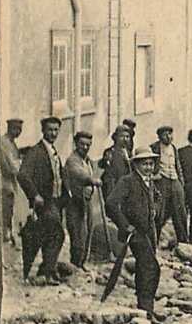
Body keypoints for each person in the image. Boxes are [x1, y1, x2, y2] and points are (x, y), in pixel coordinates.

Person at [105, 147, 164, 321]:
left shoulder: (150, 181)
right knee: (151, 267)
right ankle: (146, 308)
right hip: (136, 233)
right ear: (136, 164)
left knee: (144, 267)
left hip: (150, 230)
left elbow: (158, 198)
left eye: (151, 163)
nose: (148, 167)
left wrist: (155, 209)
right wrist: (125, 225)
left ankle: (146, 308)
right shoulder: (128, 181)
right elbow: (111, 203)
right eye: (144, 164)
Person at [17, 116, 69, 285]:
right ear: (43, 131)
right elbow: (23, 175)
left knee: (51, 236)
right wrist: (34, 195)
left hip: (56, 201)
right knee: (58, 234)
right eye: (50, 130)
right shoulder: (35, 152)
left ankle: (49, 272)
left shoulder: (53, 151)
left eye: (56, 130)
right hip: (44, 203)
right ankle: (44, 271)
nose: (53, 133)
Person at [64, 131, 101, 269]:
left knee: (88, 230)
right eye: (82, 144)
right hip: (74, 201)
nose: (85, 147)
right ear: (76, 144)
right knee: (77, 232)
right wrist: (91, 180)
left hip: (87, 200)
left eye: (88, 145)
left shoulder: (88, 161)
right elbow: (78, 173)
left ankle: (82, 262)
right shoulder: (72, 160)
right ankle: (75, 263)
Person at [150, 126, 188, 246]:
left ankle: (183, 241)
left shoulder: (174, 148)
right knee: (160, 212)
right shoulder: (154, 148)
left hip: (174, 180)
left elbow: (178, 166)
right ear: (160, 136)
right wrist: (154, 176)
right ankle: (154, 241)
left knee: (180, 211)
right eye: (165, 135)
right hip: (162, 182)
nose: (168, 137)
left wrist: (181, 183)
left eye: (170, 134)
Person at [0, 118, 23, 245]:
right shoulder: (3, 143)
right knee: (5, 212)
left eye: (20, 129)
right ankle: (4, 238)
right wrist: (21, 164)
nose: (19, 132)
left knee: (10, 211)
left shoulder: (12, 142)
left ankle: (8, 235)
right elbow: (11, 167)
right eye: (17, 129)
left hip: (11, 184)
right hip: (4, 184)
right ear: (10, 128)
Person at [100, 125, 132, 200]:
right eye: (122, 136)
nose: (125, 139)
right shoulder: (110, 152)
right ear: (115, 138)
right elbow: (108, 176)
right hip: (116, 189)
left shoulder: (127, 152)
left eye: (127, 137)